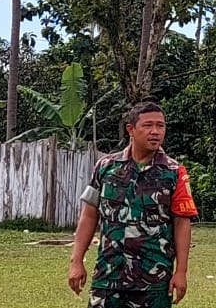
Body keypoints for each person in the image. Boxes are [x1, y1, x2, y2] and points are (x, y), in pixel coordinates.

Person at [69, 102, 199, 308]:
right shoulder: (106, 167)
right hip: (108, 276)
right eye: (148, 125)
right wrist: (76, 261)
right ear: (131, 129)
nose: (155, 132)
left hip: (153, 280)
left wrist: (181, 271)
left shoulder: (175, 173)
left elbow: (182, 223)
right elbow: (89, 215)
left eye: (160, 126)